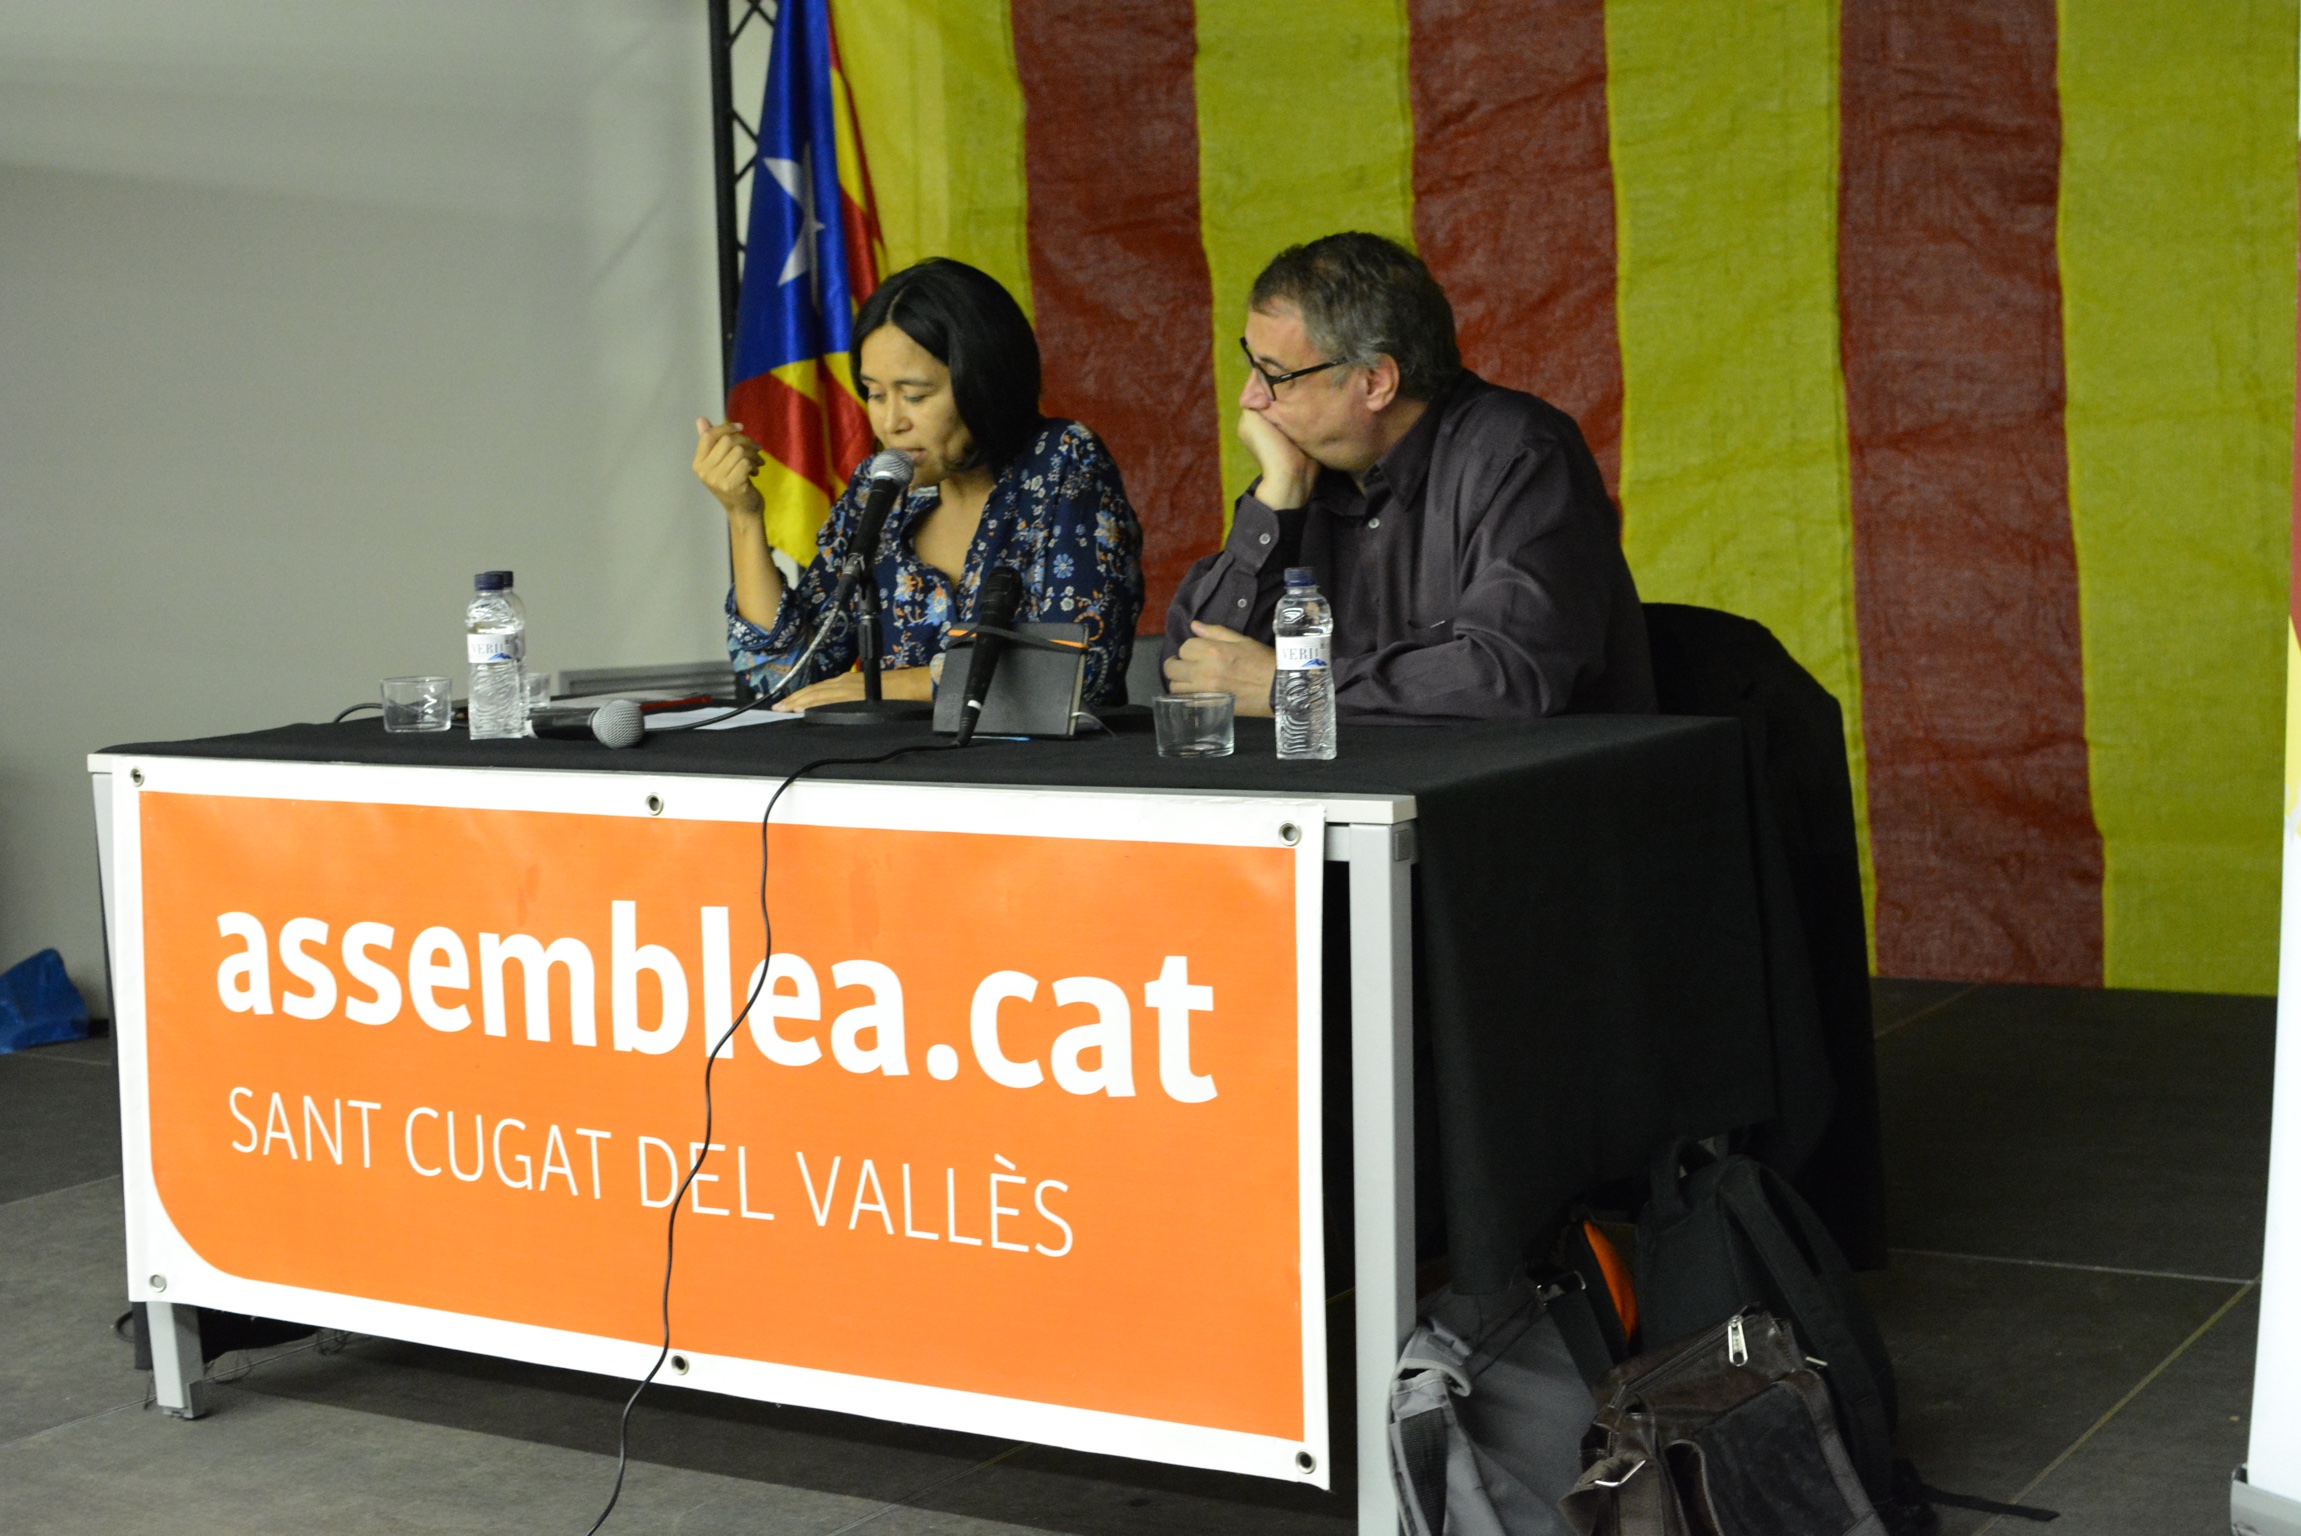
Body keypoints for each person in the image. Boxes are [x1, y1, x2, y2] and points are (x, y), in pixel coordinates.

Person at [1162, 233, 1654, 719]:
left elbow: (1512, 675)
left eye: (1274, 375)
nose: (1249, 399)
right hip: (1363, 774)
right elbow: (1194, 672)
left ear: (1375, 382)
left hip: (1526, 772)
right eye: (1251, 365)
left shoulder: (1517, 454)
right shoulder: (1298, 470)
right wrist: (1277, 497)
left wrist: (1296, 687)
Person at [694, 258, 1143, 710]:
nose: (892, 421)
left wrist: (896, 686)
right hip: (897, 758)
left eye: (915, 395)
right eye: (875, 394)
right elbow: (787, 675)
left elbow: (1082, 670)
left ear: (984, 382)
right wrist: (743, 516)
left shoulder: (1062, 459)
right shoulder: (881, 490)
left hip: (1034, 759)